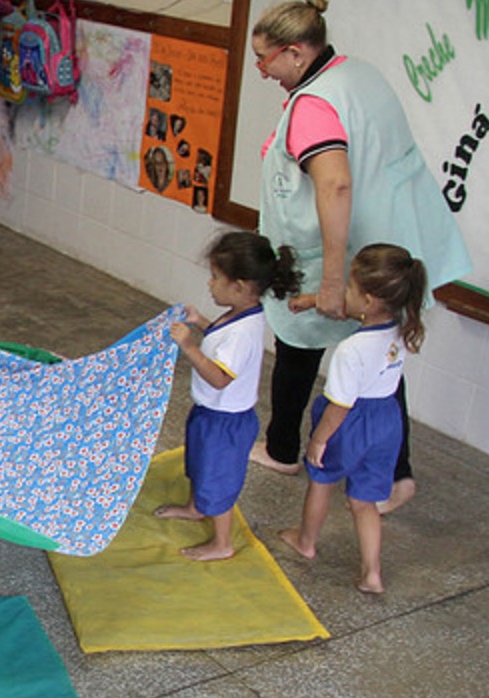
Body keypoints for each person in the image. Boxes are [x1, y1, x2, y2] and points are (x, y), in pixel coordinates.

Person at [247, 0, 472, 515]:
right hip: (392, 243)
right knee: (372, 359)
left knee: (316, 349)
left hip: (350, 251)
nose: (261, 70)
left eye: (265, 59)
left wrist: (332, 281)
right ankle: (293, 448)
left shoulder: (314, 106)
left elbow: (336, 185)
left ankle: (376, 472)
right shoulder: (357, 74)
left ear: (296, 52)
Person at [278, 244, 427, 594]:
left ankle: (305, 541)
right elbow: (358, 312)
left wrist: (318, 440)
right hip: (387, 422)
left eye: (349, 287)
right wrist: (314, 300)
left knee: (321, 480)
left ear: (370, 300)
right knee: (364, 501)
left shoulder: (350, 351)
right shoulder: (400, 327)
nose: (344, 292)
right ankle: (372, 573)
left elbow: (340, 406)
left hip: (350, 422)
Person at [156, 232, 301, 561]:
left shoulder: (243, 332)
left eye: (215, 277)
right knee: (199, 463)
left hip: (226, 422)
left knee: (217, 478)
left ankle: (222, 543)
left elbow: (220, 377)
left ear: (239, 286)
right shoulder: (240, 312)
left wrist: (188, 346)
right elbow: (220, 339)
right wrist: (200, 322)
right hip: (210, 413)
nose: (210, 284)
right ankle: (196, 508)